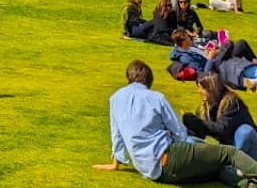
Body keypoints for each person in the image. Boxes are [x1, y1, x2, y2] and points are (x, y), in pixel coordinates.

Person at [94, 59, 257, 183]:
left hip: (151, 171)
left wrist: (115, 164)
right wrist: (196, 146)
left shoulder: (114, 99)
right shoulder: (156, 98)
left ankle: (248, 185)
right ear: (148, 80)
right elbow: (178, 132)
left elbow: (116, 135)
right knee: (228, 153)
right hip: (168, 158)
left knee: (215, 168)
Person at [183, 72, 257, 165]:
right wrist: (189, 126)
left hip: (249, 151)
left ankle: (235, 165)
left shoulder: (232, 102)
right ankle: (218, 166)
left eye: (202, 88)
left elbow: (222, 129)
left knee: (245, 131)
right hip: (227, 151)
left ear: (212, 89)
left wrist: (200, 123)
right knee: (190, 141)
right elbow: (199, 133)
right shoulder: (204, 107)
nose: (199, 91)